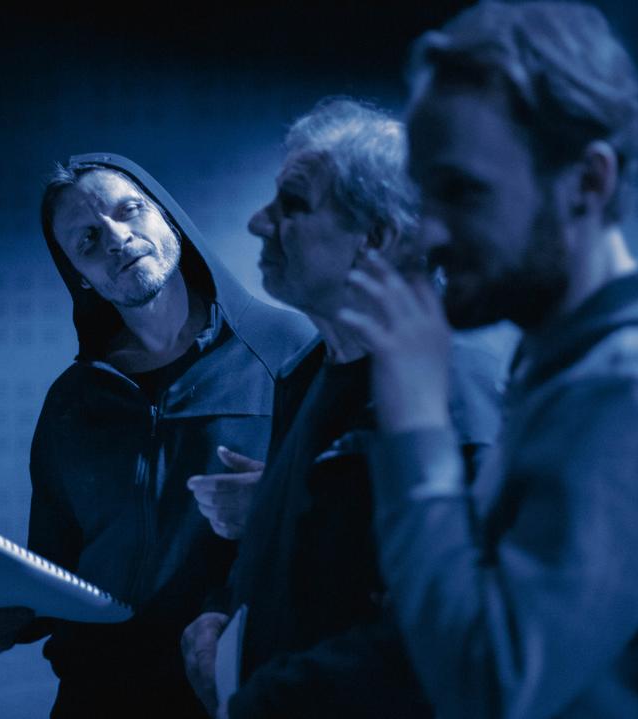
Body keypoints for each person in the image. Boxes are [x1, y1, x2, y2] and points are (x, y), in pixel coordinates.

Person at [337, 3, 638, 718]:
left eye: (463, 191)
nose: (429, 232)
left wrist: (418, 422)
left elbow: (490, 687)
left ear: (588, 182)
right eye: (425, 193)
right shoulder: (569, 366)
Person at [180, 98, 513, 718]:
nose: (258, 223)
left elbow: (452, 637)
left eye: (292, 205)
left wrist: (266, 702)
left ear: (376, 239)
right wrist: (219, 614)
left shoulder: (457, 384)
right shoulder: (310, 371)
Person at [0, 153, 313, 718]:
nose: (117, 238)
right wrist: (12, 612)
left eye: (130, 211)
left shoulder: (286, 348)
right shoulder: (73, 400)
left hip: (232, 692)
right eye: (88, 239)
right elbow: (58, 561)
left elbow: (346, 521)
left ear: (168, 217)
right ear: (79, 274)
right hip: (95, 698)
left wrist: (274, 502)